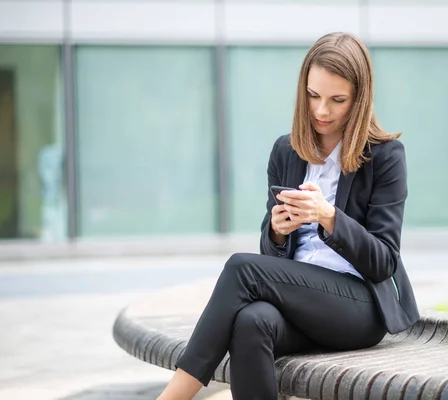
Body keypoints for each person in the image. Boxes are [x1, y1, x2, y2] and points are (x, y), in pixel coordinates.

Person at [157, 32, 419, 400]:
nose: (322, 111)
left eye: (337, 100)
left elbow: (384, 261)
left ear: (359, 100)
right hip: (301, 301)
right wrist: (278, 233)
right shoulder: (286, 151)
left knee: (241, 268)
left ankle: (173, 396)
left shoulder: (387, 156)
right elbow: (272, 257)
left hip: (358, 307)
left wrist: (329, 217)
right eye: (314, 96)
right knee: (251, 323)